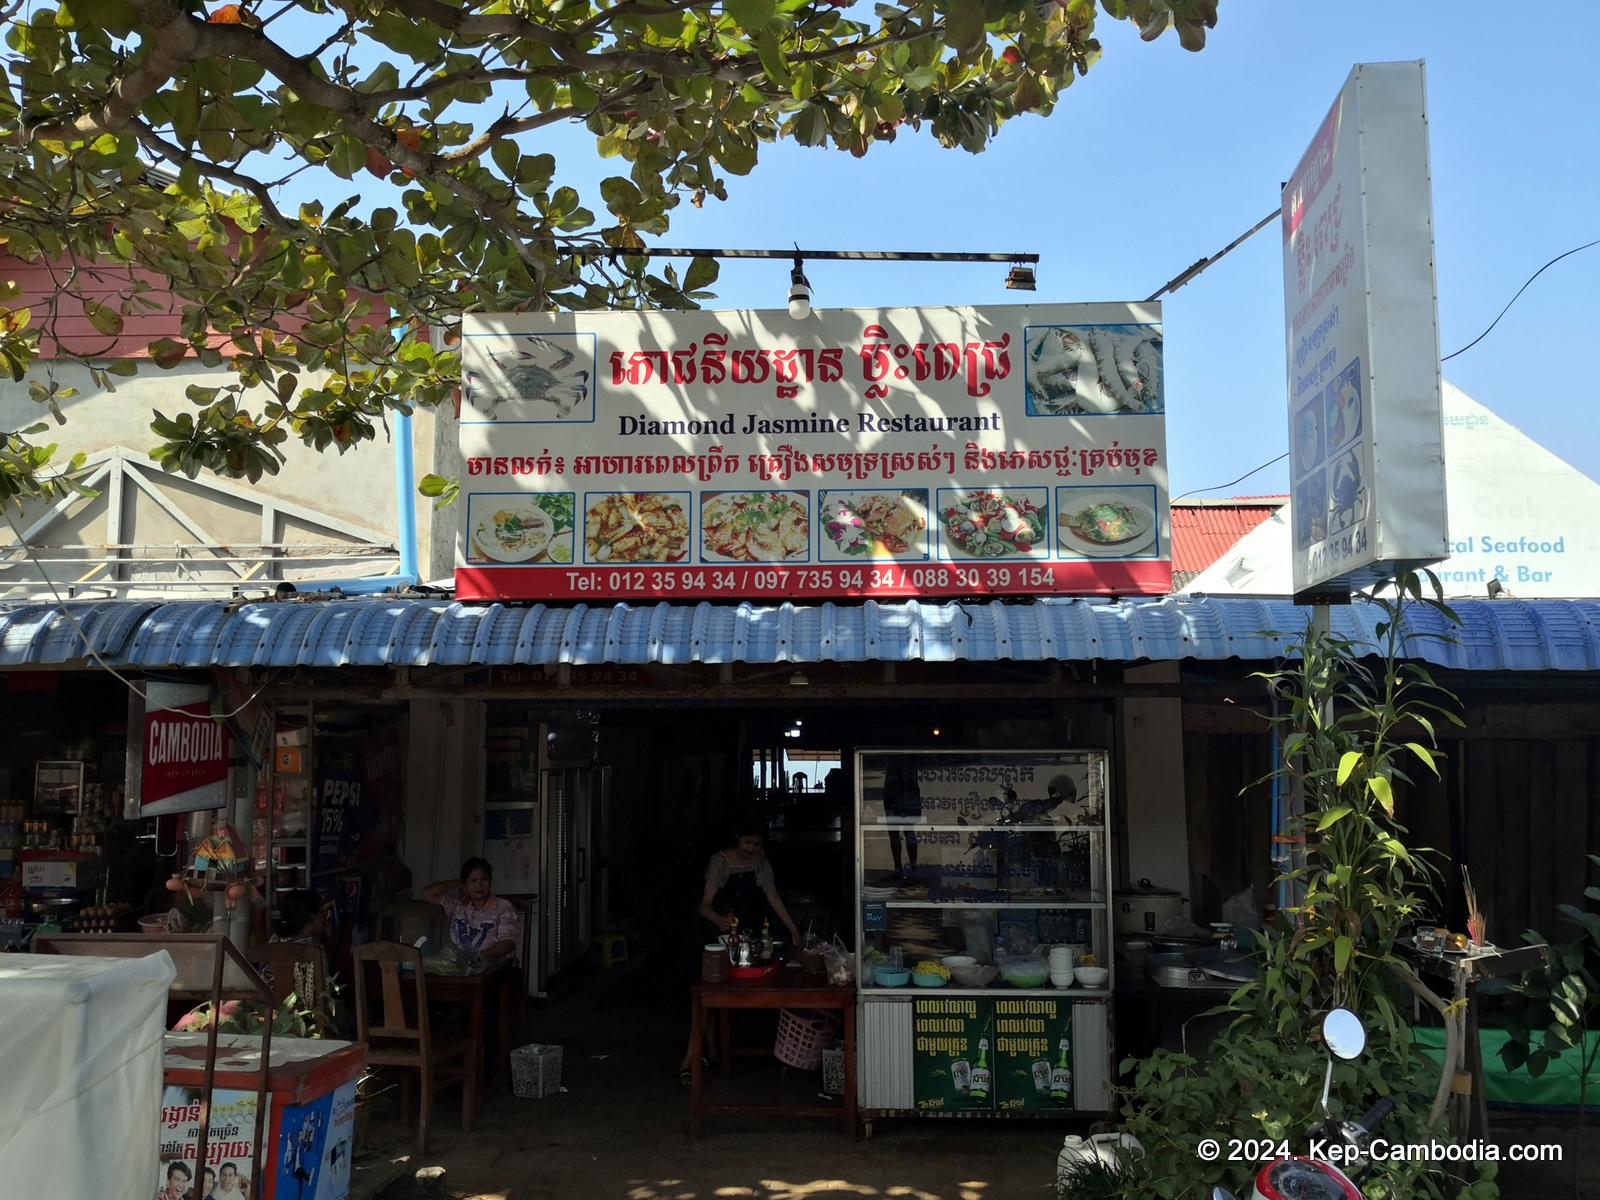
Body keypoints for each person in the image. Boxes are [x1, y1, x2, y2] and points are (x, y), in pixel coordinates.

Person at [679, 824, 802, 1080]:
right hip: (712, 935)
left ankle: (711, 1052)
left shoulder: (759, 860)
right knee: (705, 997)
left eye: (757, 844)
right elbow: (703, 905)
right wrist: (719, 921)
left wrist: (792, 928)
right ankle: (690, 1061)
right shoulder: (720, 861)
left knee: (717, 998)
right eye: (747, 842)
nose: (751, 848)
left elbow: (772, 895)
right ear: (737, 837)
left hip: (738, 932)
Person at [422, 858, 520, 962]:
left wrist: (476, 957)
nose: (479, 885)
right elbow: (427, 894)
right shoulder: (457, 906)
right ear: (465, 885)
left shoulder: (503, 907)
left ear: (490, 881)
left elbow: (508, 943)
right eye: (473, 881)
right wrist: (459, 882)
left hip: (496, 968)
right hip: (463, 967)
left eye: (484, 880)